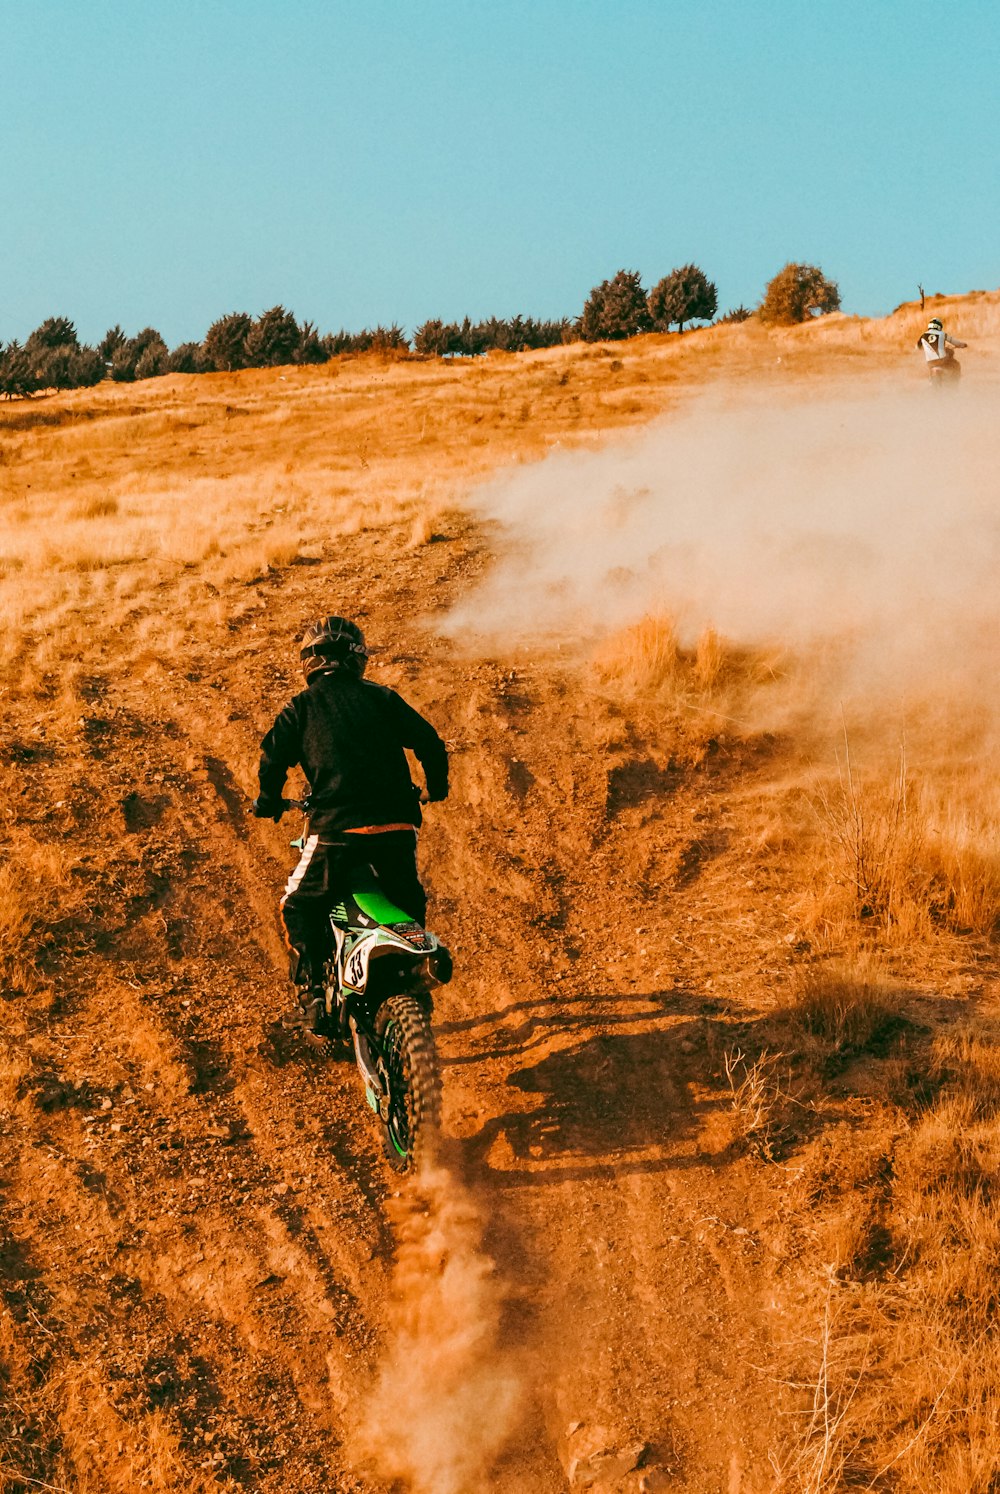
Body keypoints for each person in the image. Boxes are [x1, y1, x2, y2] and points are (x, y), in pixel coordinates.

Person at [253, 615, 448, 1033]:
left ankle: (310, 996)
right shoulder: (382, 698)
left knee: (297, 904)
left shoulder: (300, 707)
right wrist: (436, 787)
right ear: (358, 658)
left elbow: (272, 759)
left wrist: (268, 800)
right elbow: (429, 740)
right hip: (396, 828)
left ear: (309, 662)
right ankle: (412, 977)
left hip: (335, 829)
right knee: (406, 903)